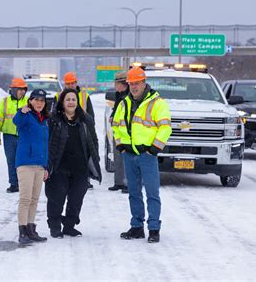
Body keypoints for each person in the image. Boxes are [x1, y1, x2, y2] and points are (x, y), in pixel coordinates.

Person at [112, 66, 171, 243]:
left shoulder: (157, 103)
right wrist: (121, 146)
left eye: (137, 83)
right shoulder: (124, 103)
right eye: (131, 84)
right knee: (133, 192)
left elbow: (165, 127)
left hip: (147, 155)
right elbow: (116, 126)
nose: (134, 87)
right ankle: (137, 226)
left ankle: (154, 229)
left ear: (144, 83)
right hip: (129, 155)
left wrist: (154, 149)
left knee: (152, 193)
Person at [46, 88, 102, 238]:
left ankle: (69, 226)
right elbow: (47, 140)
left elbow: (94, 140)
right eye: (68, 99)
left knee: (76, 199)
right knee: (56, 198)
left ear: (77, 102)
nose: (71, 102)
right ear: (62, 102)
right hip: (59, 166)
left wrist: (95, 158)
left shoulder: (86, 119)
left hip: (80, 167)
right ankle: (55, 226)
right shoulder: (53, 120)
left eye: (74, 99)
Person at [13, 89, 49, 244]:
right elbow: (17, 122)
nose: (39, 103)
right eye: (36, 100)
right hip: (25, 163)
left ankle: (30, 229)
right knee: (25, 198)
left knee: (34, 199)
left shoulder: (45, 120)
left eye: (42, 100)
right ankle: (22, 231)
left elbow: (45, 145)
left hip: (40, 165)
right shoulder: (26, 116)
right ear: (30, 101)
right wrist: (21, 111)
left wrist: (46, 166)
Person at [53, 71, 96, 189]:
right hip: (65, 130)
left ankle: (85, 179)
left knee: (84, 155)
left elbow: (91, 115)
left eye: (72, 83)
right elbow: (54, 115)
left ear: (76, 83)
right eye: (68, 83)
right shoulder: (58, 96)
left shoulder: (84, 96)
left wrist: (90, 129)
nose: (71, 85)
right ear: (64, 84)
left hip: (82, 130)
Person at [0, 78, 29, 193]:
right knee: (11, 161)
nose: (22, 92)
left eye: (24, 89)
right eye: (19, 89)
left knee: (23, 161)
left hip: (24, 136)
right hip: (9, 137)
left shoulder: (28, 102)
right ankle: (14, 184)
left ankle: (23, 184)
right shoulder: (5, 102)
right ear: (13, 90)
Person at [108, 71, 130, 194]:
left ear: (122, 84)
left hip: (127, 133)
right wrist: (112, 116)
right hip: (118, 132)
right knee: (118, 157)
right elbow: (116, 109)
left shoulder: (130, 96)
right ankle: (119, 183)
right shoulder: (119, 95)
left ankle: (127, 184)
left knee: (126, 158)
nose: (114, 86)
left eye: (116, 83)